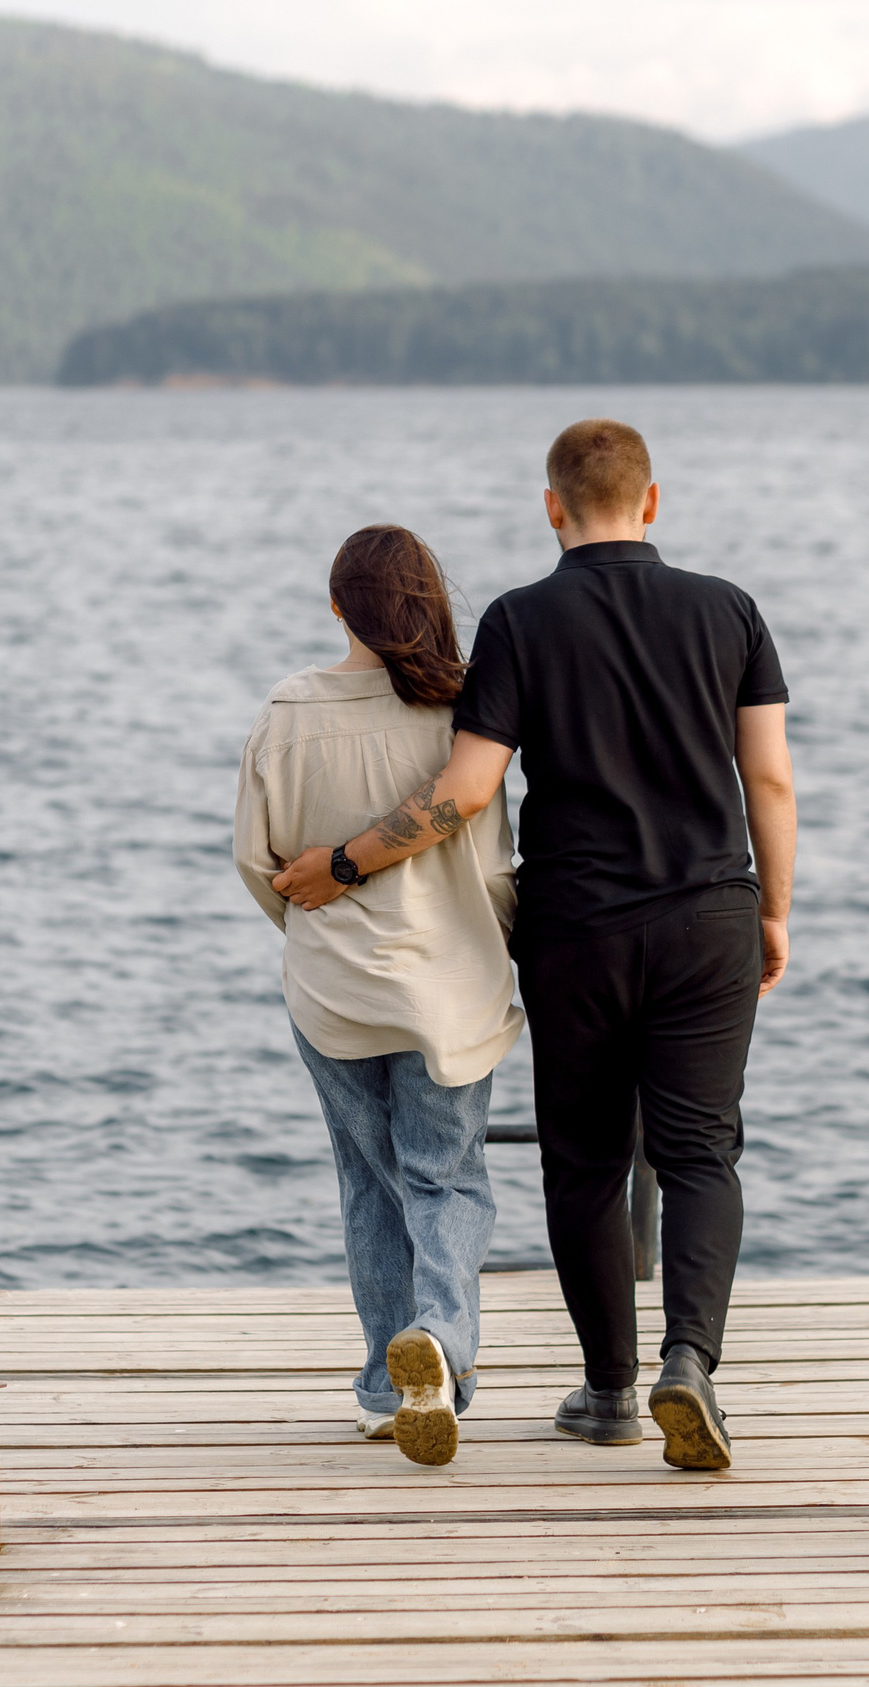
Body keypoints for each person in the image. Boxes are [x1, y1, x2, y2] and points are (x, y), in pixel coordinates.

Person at [273, 419, 796, 1472]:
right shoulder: (729, 610)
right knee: (698, 1154)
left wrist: (340, 863)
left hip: (576, 931)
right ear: (651, 502)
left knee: (587, 1164)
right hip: (708, 918)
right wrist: (773, 912)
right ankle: (688, 1361)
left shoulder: (519, 621)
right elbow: (770, 779)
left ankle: (608, 1391)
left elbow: (466, 791)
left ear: (551, 507)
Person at [234, 524, 523, 1469]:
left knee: (368, 1178)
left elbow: (256, 860)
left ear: (335, 607)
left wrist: (316, 934)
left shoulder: (286, 710)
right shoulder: (461, 712)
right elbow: (490, 870)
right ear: (428, 601)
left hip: (331, 992)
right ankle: (437, 1344)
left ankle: (377, 1386)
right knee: (445, 1174)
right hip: (445, 986)